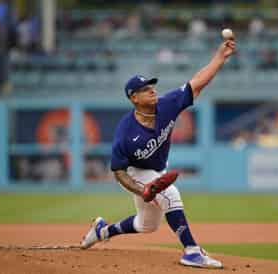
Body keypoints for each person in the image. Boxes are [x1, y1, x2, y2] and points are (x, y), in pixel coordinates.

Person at [80, 38, 236, 268]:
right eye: (145, 89)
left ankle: (103, 231)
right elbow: (119, 172)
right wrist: (141, 188)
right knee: (170, 195)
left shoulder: (168, 105)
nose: (152, 90)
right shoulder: (125, 132)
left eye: (152, 86)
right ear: (134, 98)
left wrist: (220, 57)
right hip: (133, 172)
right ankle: (192, 251)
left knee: (147, 225)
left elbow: (198, 82)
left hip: (155, 169)